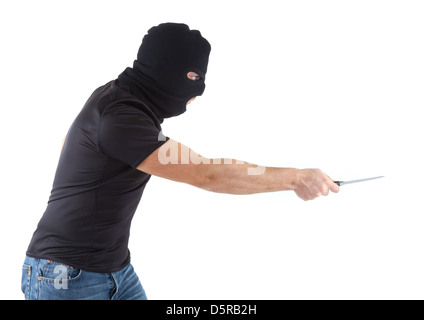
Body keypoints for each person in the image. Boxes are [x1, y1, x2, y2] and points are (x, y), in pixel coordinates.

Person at [21, 22, 340, 300]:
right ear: (167, 70)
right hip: (65, 275)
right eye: (193, 77)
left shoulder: (118, 98)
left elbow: (70, 143)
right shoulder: (121, 117)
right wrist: (294, 177)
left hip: (113, 268)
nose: (197, 92)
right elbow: (207, 174)